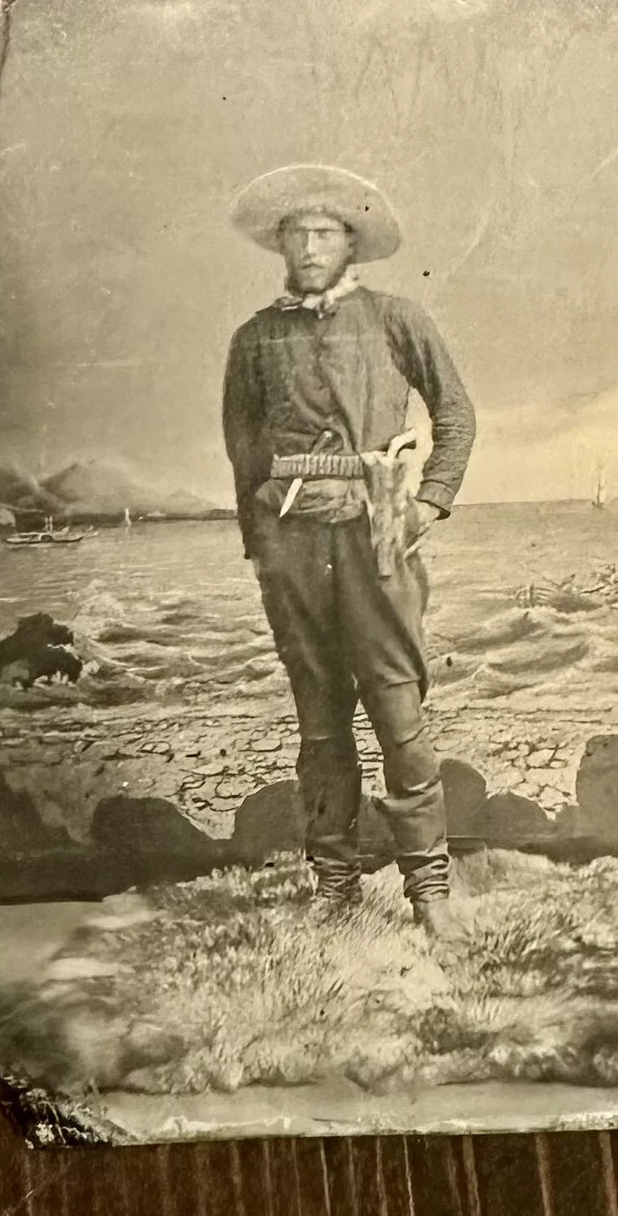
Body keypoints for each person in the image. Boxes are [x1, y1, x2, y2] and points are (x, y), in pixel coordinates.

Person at [222, 165, 475, 935]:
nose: (308, 245)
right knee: (320, 721)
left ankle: (428, 889)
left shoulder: (397, 318)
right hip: (292, 543)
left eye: (324, 232)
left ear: (351, 242)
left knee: (399, 711)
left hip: (377, 535)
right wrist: (261, 547)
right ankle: (334, 885)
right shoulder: (257, 338)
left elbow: (456, 415)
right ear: (279, 244)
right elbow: (243, 451)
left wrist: (428, 500)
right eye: (295, 233)